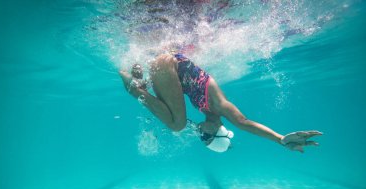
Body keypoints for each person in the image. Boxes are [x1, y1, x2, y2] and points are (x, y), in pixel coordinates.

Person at [119, 52, 322, 153]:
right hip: (168, 64)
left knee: (174, 121)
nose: (201, 133)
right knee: (177, 125)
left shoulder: (205, 110)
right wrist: (279, 139)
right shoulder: (220, 106)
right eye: (206, 136)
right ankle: (136, 89)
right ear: (217, 129)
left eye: (202, 139)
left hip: (167, 68)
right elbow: (244, 123)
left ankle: (139, 82)